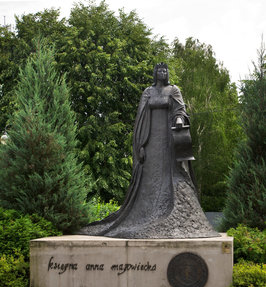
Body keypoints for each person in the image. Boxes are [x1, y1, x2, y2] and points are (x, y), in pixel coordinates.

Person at [78, 63, 219, 238]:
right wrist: (140, 145)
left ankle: (166, 212)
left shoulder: (173, 90)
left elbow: (180, 110)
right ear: (155, 73)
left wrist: (179, 120)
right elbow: (140, 120)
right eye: (159, 70)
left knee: (168, 177)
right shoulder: (148, 92)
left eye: (165, 70)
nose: (162, 72)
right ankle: (147, 214)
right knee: (149, 179)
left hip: (168, 142)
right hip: (151, 141)